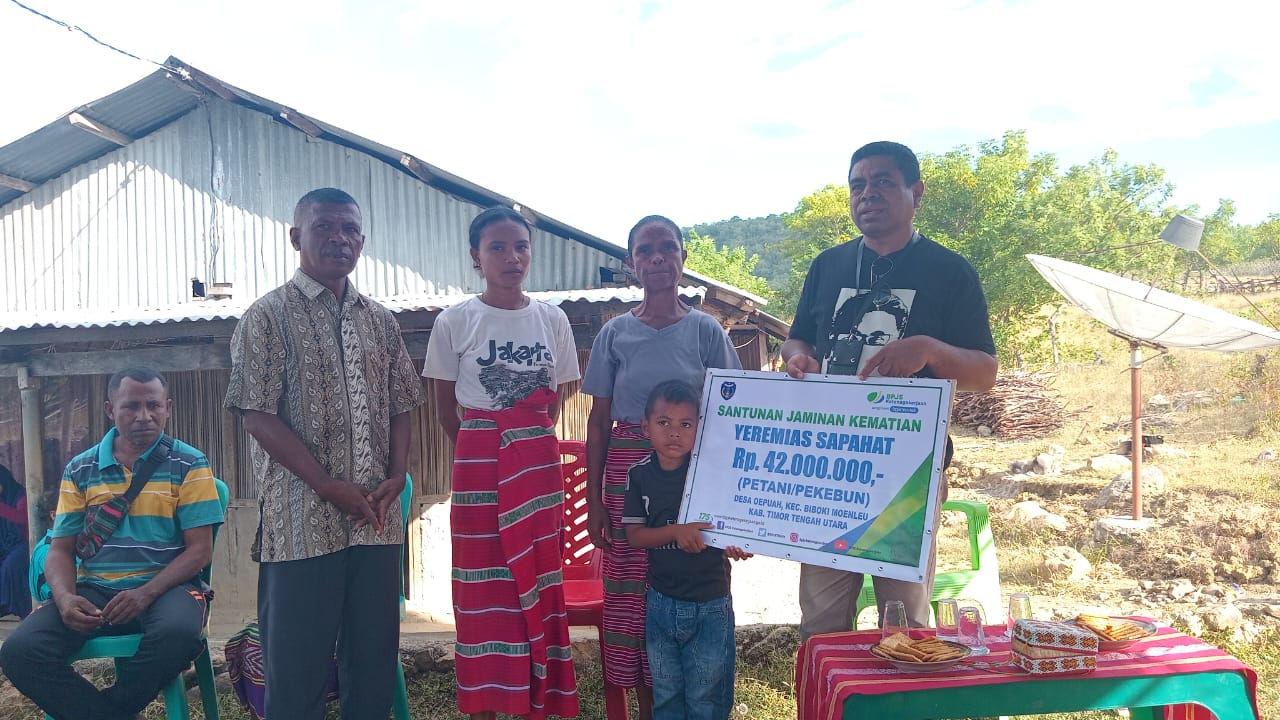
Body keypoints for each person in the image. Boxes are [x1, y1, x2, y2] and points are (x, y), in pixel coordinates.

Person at [782, 141, 998, 638]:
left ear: (915, 192)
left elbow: (985, 373)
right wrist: (796, 355)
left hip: (908, 475)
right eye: (857, 185)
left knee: (904, 625)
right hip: (827, 469)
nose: (867, 194)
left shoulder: (951, 272)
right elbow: (800, 337)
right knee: (820, 623)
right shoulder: (827, 266)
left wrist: (928, 350)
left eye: (882, 181)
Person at [225, 187, 426, 720]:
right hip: (300, 526)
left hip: (375, 520)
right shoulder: (266, 316)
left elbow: (402, 403)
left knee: (372, 664)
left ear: (362, 240)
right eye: (324, 228)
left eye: (350, 230)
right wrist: (325, 484)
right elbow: (255, 413)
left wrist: (398, 474)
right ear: (296, 237)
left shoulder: (380, 320)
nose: (339, 239)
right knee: (297, 671)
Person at [581, 215, 742, 717]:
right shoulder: (615, 334)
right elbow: (599, 420)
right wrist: (593, 502)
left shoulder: (705, 330)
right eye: (645, 250)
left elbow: (732, 412)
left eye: (667, 248)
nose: (656, 258)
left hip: (693, 481)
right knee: (632, 599)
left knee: (692, 575)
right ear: (631, 264)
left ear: (682, 260)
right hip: (629, 482)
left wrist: (734, 505)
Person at [423, 206, 580, 720]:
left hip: (538, 468)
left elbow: (552, 403)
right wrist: (486, 448)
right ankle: (485, 709)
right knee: (483, 593)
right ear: (476, 257)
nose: (512, 257)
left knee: (539, 579)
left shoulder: (552, 319)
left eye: (521, 247)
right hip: (478, 471)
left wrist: (521, 440)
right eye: (498, 248)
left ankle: (539, 704)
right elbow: (447, 410)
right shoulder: (455, 321)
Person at [0, 367, 225, 720]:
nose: (144, 416)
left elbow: (200, 550)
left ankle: (106, 712)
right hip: (97, 590)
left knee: (180, 635)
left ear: (168, 407)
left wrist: (145, 593)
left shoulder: (190, 463)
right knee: (19, 652)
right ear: (110, 410)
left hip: (168, 589)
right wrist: (65, 597)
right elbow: (60, 549)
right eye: (131, 406)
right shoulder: (81, 468)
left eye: (153, 406)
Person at [622, 380, 751, 720]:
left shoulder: (713, 474)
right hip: (661, 603)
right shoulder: (639, 476)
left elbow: (733, 526)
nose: (674, 433)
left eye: (686, 424)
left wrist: (740, 542)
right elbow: (634, 535)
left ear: (700, 428)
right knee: (665, 694)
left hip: (711, 604)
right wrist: (676, 532)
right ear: (645, 426)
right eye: (664, 422)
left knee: (707, 695)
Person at [0, 463, 30, 619]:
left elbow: (21, 518)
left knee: (10, 566)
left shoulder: (21, 495)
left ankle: (11, 606)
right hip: (6, 542)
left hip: (25, 542)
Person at [28, 488, 61, 603]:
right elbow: (60, 594)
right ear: (54, 515)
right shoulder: (48, 550)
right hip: (57, 610)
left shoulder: (65, 543)